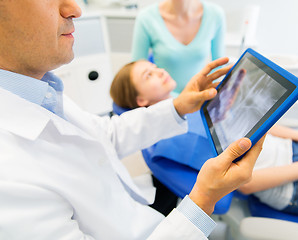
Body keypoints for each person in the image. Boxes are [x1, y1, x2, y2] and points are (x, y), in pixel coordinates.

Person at [0, 1, 264, 239]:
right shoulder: (9, 182)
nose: (75, 9)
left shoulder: (42, 92)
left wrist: (178, 106)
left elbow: (104, 133)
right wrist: (203, 199)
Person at [111, 59, 298, 217]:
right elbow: (243, 183)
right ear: (140, 101)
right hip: (292, 184)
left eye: (154, 67)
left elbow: (258, 124)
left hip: (296, 147)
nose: (159, 71)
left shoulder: (196, 102)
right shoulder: (166, 145)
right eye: (148, 76)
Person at [131, 0, 226, 93]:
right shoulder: (146, 18)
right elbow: (136, 76)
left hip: (199, 98)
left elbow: (219, 67)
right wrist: (177, 102)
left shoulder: (215, 15)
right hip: (164, 102)